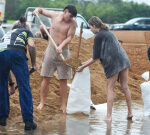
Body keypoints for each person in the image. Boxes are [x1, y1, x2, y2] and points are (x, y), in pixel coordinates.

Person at [76, 16, 133, 121]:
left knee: (110, 88)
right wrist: (83, 64)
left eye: (90, 27)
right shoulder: (108, 32)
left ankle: (108, 116)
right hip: (123, 59)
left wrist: (82, 67)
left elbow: (95, 58)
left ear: (94, 26)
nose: (90, 30)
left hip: (113, 62)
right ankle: (130, 113)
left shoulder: (98, 36)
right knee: (125, 87)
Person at [33, 4, 77, 113]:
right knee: (46, 77)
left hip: (64, 52)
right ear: (65, 11)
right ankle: (42, 102)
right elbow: (41, 9)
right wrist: (36, 10)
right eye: (70, 16)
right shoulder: (54, 15)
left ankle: (63, 105)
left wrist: (61, 46)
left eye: (72, 17)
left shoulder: (72, 23)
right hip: (51, 50)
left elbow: (70, 37)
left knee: (63, 80)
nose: (71, 18)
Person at [0, 28, 39, 130]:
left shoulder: (8, 33)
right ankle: (28, 122)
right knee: (24, 87)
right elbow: (31, 45)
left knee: (1, 85)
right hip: (17, 54)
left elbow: (7, 61)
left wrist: (11, 84)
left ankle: (2, 118)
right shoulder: (28, 31)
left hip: (1, 54)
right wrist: (34, 63)